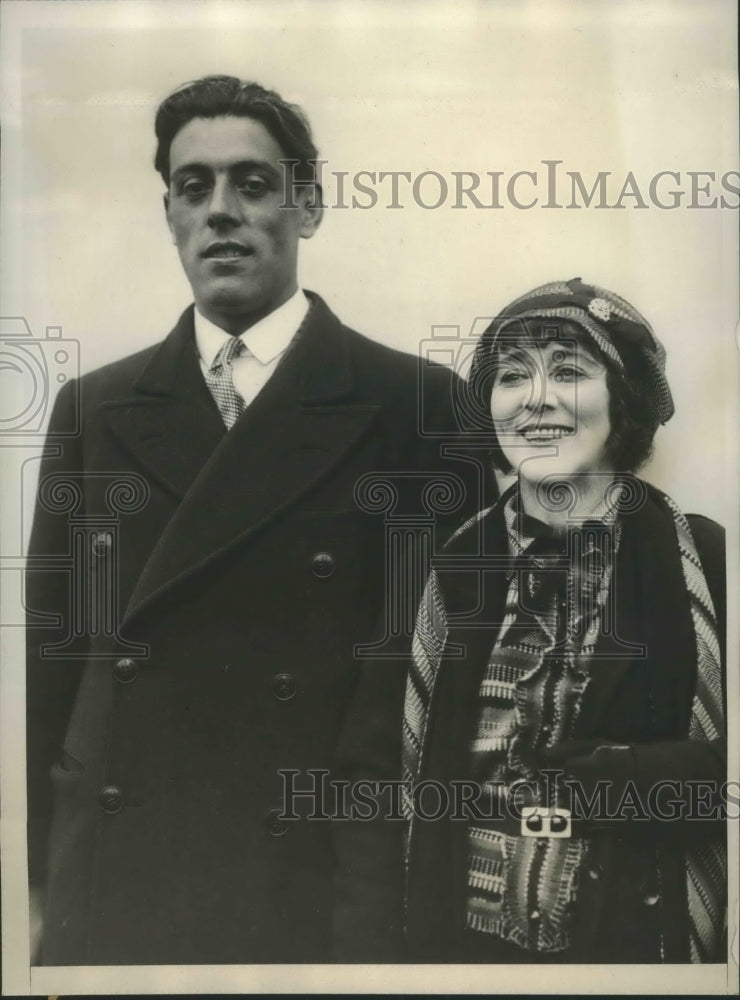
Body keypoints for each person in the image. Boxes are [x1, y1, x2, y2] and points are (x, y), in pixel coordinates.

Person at [25, 75, 486, 965]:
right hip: (124, 868)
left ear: (307, 206)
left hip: (314, 876)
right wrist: (42, 876)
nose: (221, 211)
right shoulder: (97, 407)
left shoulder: (418, 406)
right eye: (193, 188)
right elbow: (54, 655)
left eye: (253, 183)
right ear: (168, 215)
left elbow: (435, 692)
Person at [333, 277, 726, 964]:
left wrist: (610, 782)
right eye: (513, 376)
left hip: (636, 959)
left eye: (569, 370)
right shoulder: (441, 572)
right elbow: (369, 783)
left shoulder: (707, 560)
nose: (537, 399)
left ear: (622, 400)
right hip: (459, 959)